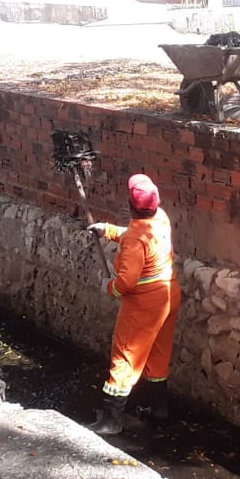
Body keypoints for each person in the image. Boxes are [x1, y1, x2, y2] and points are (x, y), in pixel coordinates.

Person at [84, 173, 182, 435]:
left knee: (126, 355)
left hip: (144, 304)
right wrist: (109, 230)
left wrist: (109, 286)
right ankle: (159, 409)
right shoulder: (161, 218)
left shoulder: (135, 240)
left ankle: (110, 420)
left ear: (130, 203)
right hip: (169, 294)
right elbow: (137, 235)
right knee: (159, 354)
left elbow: (126, 281)